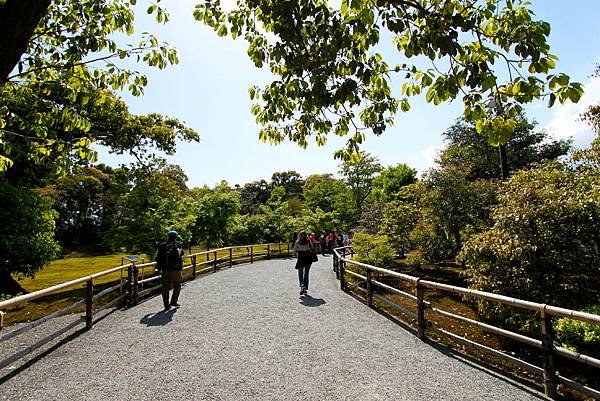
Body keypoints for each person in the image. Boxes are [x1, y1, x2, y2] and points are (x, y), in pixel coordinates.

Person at [155, 230, 184, 311]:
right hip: (176, 269)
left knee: (165, 287)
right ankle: (174, 301)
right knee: (177, 285)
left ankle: (166, 305)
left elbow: (158, 258)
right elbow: (181, 254)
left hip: (165, 269)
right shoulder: (179, 244)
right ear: (176, 236)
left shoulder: (162, 245)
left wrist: (158, 268)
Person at [293, 230, 315, 296]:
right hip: (308, 258)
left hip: (301, 258)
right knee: (306, 273)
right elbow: (312, 248)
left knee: (300, 273)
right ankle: (305, 287)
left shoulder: (298, 241)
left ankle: (302, 285)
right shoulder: (308, 241)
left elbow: (294, 249)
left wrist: (298, 252)